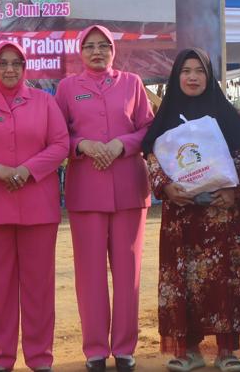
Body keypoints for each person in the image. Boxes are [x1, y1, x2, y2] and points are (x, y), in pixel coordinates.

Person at [0, 40, 69, 372]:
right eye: (2, 63)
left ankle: (40, 357)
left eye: (16, 63)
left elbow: (61, 144)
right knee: (0, 289)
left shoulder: (44, 102)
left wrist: (28, 170)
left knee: (39, 288)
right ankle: (1, 358)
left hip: (38, 206)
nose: (9, 69)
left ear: (24, 67)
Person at [142, 48, 240, 372]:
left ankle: (227, 351)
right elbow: (151, 156)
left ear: (209, 76)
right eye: (185, 71)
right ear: (176, 77)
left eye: (199, 71)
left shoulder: (226, 114)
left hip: (220, 216)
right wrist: (165, 187)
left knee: (225, 280)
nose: (192, 77)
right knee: (183, 283)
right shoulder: (166, 116)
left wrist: (233, 191)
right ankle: (190, 351)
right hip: (182, 217)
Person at [55, 25, 154, 372]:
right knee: (90, 274)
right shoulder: (67, 88)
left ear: (113, 50)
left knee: (128, 273)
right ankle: (95, 350)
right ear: (80, 52)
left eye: (103, 46)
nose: (97, 52)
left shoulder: (132, 83)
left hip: (129, 188)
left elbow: (148, 128)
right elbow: (56, 135)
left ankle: (125, 349)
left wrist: (120, 145)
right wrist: (81, 145)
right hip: (86, 191)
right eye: (90, 46)